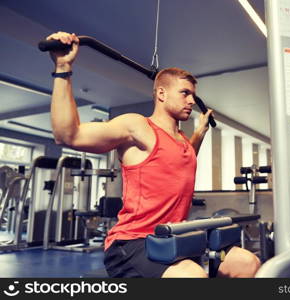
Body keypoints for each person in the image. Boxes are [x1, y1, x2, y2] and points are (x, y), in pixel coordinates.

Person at [47, 32, 261, 278]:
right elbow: (68, 135)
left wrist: (200, 132)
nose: (192, 100)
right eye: (185, 93)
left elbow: (181, 161)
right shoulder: (138, 126)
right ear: (161, 94)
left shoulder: (182, 140)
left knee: (247, 263)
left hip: (175, 238)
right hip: (134, 243)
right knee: (192, 276)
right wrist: (63, 68)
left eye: (193, 95)